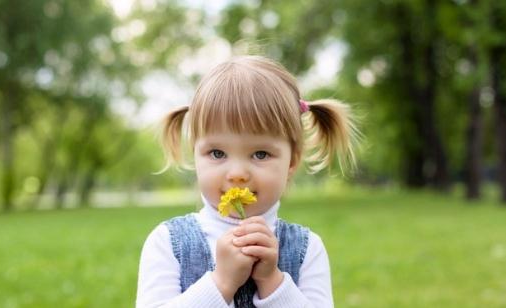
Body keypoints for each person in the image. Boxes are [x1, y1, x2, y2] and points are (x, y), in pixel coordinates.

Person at [136, 55, 357, 308]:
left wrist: (272, 281)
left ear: (292, 162)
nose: (237, 173)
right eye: (217, 153)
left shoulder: (306, 250)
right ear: (195, 155)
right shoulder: (167, 243)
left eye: (260, 154)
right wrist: (221, 284)